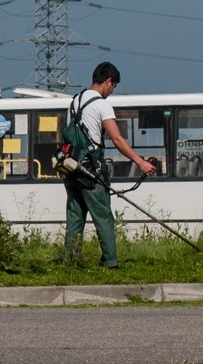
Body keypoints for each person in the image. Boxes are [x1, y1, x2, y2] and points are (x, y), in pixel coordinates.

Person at [63, 62, 156, 268]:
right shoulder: (101, 104)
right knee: (103, 216)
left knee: (75, 217)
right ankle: (110, 261)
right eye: (113, 88)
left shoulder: (74, 102)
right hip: (91, 170)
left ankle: (71, 262)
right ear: (108, 81)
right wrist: (140, 162)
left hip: (71, 168)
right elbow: (117, 139)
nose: (111, 92)